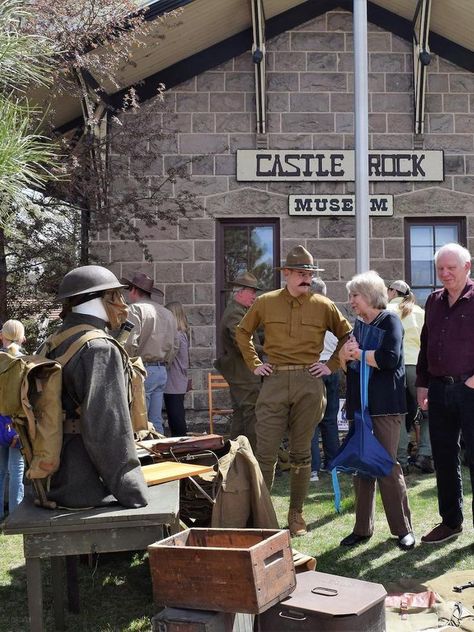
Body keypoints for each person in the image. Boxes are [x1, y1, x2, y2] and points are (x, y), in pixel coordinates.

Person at [235, 245, 352, 537]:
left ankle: (296, 515)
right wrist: (254, 364)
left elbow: (348, 335)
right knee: (265, 453)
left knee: (302, 454)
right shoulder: (265, 302)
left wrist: (332, 365)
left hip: (309, 383)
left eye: (309, 274)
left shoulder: (323, 304)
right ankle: (260, 515)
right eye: (300, 273)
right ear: (286, 274)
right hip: (274, 381)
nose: (306, 278)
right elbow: (242, 332)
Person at [43, 265, 148, 509]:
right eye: (116, 295)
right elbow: (108, 428)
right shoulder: (99, 348)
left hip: (58, 481)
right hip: (88, 488)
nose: (122, 303)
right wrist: (133, 492)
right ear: (100, 298)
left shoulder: (54, 341)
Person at [338, 270, 415, 551]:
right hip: (362, 408)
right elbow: (349, 365)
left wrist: (358, 355)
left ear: (370, 295)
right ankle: (362, 529)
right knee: (362, 467)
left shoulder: (390, 321)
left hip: (385, 408)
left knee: (386, 466)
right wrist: (346, 357)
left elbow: (390, 359)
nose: (351, 301)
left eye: (354, 295)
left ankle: (403, 530)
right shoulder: (358, 327)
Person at [416, 242, 474, 544]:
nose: (445, 273)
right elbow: (426, 343)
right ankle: (451, 522)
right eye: (440, 268)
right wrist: (422, 383)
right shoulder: (433, 300)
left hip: (470, 390)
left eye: (451, 267)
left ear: (467, 267)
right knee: (443, 457)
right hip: (439, 389)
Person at [122, 272, 179, 434]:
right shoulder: (167, 313)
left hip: (141, 370)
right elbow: (175, 345)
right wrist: (165, 363)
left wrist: (126, 366)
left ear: (133, 290)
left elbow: (128, 342)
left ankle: (142, 457)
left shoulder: (134, 310)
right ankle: (158, 455)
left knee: (139, 420)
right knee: (156, 420)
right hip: (161, 370)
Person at [387, 280, 433, 475]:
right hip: (418, 366)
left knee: (398, 414)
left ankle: (401, 460)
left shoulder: (387, 309)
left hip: (395, 366)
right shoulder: (420, 312)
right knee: (427, 412)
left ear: (392, 291)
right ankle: (425, 454)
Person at [214, 271, 263, 451]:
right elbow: (243, 344)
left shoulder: (240, 311)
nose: (254, 296)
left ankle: (235, 454)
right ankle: (252, 458)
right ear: (239, 292)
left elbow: (253, 337)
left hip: (242, 372)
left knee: (242, 414)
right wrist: (272, 350)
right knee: (252, 414)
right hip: (244, 373)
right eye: (252, 292)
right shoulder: (236, 314)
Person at [309, 278, 341, 481]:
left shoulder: (308, 311)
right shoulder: (333, 312)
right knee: (330, 420)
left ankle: (312, 469)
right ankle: (333, 465)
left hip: (313, 367)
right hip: (331, 367)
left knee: (310, 421)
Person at [0, 320, 25, 520]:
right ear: (22, 337)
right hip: (17, 423)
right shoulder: (25, 362)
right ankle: (17, 515)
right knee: (16, 470)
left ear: (2, 336)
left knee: (0, 471)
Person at [163, 301, 189, 437]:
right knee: (175, 414)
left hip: (174, 379)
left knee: (176, 416)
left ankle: (181, 443)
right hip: (177, 379)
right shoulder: (182, 334)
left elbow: (178, 359)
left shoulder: (178, 335)